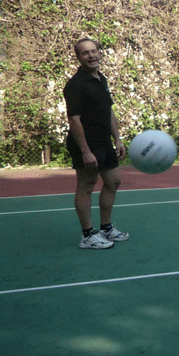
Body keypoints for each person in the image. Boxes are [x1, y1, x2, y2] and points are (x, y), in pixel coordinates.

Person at [63, 38, 129, 250]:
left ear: (100, 53)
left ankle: (106, 228)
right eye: (85, 53)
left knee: (113, 181)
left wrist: (117, 138)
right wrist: (85, 151)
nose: (91, 55)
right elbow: (74, 120)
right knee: (87, 186)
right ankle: (88, 235)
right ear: (78, 57)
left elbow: (109, 111)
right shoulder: (76, 85)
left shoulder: (101, 79)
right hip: (85, 143)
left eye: (94, 51)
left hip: (103, 141)